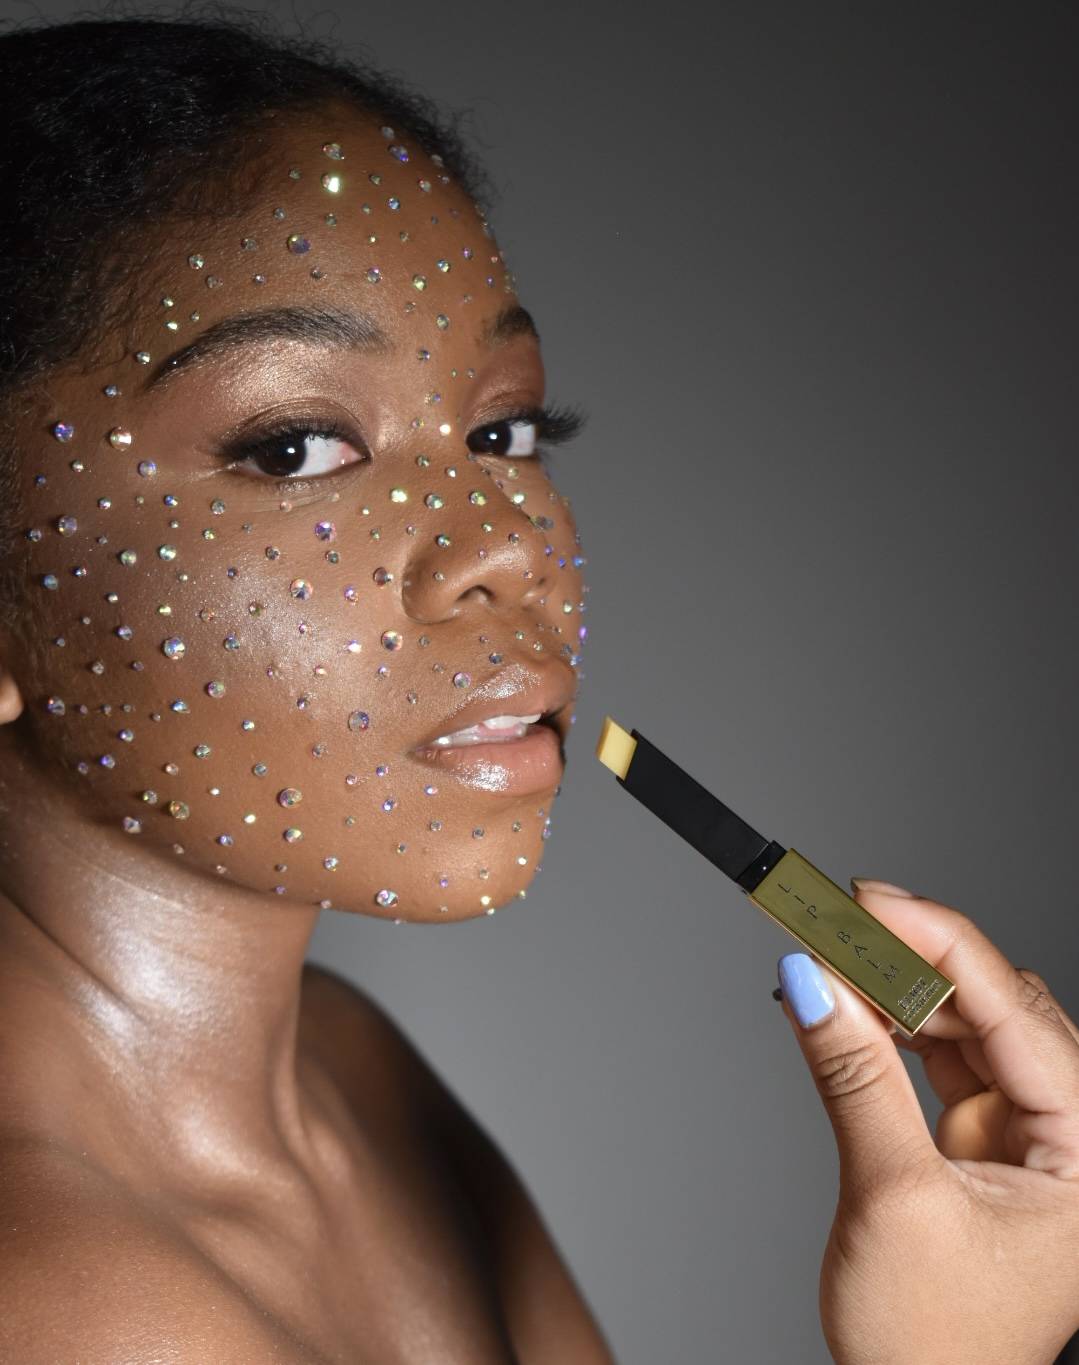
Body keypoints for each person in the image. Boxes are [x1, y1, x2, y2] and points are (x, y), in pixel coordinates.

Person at [0, 13, 1075, 1363]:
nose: (503, 542)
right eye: (294, 448)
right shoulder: (73, 1309)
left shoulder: (348, 1066)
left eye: (503, 429)